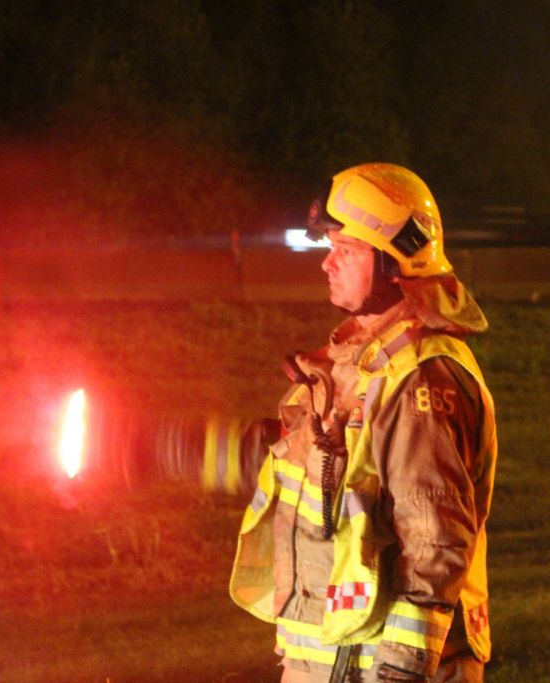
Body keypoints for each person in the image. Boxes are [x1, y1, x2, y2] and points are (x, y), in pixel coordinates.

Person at [150, 163, 497, 681]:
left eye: (347, 250)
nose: (327, 263)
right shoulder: (356, 363)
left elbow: (433, 538)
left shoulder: (419, 378)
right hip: (332, 656)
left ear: (394, 260)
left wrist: (403, 669)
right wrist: (167, 449)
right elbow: (303, 467)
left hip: (380, 664)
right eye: (331, 248)